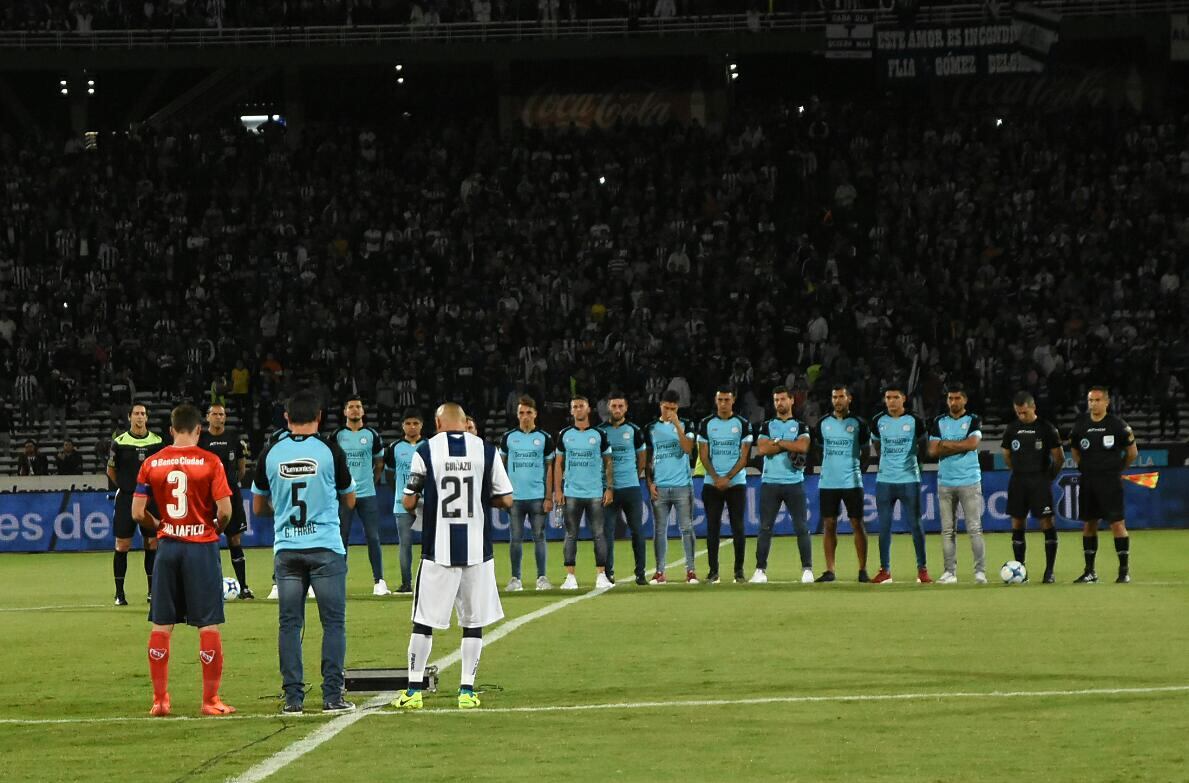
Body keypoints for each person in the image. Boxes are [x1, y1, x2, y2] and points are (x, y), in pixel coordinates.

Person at [394, 403, 515, 711]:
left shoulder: (425, 450)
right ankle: (466, 691)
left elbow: (408, 501)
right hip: (478, 551)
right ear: (464, 423)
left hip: (438, 550)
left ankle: (413, 691)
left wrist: (423, 496)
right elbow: (507, 498)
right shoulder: (486, 451)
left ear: (437, 422)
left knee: (423, 622)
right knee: (473, 623)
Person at [252, 390, 357, 715]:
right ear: (319, 417)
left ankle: (293, 699)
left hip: (287, 551)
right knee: (333, 624)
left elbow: (257, 506)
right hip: (325, 546)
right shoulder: (330, 449)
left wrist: (281, 508)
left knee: (289, 625)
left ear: (286, 419)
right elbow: (350, 499)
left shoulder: (270, 452)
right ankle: (332, 697)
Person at [132, 404, 236, 718]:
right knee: (207, 624)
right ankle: (210, 700)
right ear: (198, 429)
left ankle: (160, 700)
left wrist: (160, 524)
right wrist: (214, 527)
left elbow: (137, 512)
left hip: (167, 547)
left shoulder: (152, 462)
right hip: (200, 547)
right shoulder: (210, 461)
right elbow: (226, 510)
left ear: (171, 430)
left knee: (162, 624)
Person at [1069, 387, 1138, 583]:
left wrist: (1117, 468)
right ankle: (1090, 571)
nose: (1093, 404)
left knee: (1117, 524)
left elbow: (1132, 452)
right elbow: (1075, 449)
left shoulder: (1117, 425)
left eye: (1098, 400)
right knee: (1089, 523)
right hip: (1089, 481)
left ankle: (1123, 572)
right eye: (1091, 400)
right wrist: (1083, 466)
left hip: (1110, 481)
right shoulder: (1081, 425)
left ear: (1106, 402)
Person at [1001, 391, 1065, 583]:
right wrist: (1020, 471)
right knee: (1017, 523)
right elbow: (1007, 455)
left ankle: (1049, 571)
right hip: (1018, 481)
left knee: (1047, 523)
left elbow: (1059, 457)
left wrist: (1048, 477)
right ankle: (1021, 570)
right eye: (1018, 413)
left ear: (1033, 407)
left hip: (1040, 482)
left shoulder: (1047, 429)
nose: (1021, 416)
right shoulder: (1011, 429)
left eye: (1024, 412)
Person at [750, 386, 812, 584]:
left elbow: (802, 446)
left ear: (792, 400)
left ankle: (807, 569)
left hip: (794, 483)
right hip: (770, 483)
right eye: (776, 400)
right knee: (765, 528)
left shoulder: (801, 426)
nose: (779, 403)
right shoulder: (766, 425)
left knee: (801, 527)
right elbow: (761, 449)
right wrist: (787, 444)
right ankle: (760, 570)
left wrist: (776, 443)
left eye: (783, 399)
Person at [870, 385, 930, 584]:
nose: (892, 401)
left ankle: (922, 570)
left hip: (909, 480)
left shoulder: (915, 421)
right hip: (885, 480)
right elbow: (877, 446)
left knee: (915, 525)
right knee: (884, 527)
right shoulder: (878, 421)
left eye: (896, 397)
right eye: (888, 397)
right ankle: (884, 570)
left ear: (903, 399)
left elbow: (924, 447)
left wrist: (915, 466)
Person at [928, 384, 987, 584]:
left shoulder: (973, 420)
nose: (953, 402)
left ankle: (980, 572)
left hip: (969, 480)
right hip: (945, 481)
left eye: (957, 398)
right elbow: (933, 451)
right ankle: (949, 572)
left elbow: (972, 444)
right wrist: (960, 446)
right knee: (947, 530)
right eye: (950, 399)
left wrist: (947, 445)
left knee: (974, 528)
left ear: (964, 400)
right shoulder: (939, 421)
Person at [553, 396, 614, 590]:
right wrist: (558, 490)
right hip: (571, 492)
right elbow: (558, 464)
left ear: (589, 410)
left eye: (581, 406)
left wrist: (609, 488)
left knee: (598, 534)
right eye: (575, 407)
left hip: (595, 491)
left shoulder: (599, 434)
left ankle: (601, 575)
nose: (578, 409)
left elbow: (609, 462)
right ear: (571, 411)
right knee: (571, 534)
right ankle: (570, 577)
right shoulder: (564, 434)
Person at [812, 384, 871, 583]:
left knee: (857, 523)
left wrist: (854, 470)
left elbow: (866, 452)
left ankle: (862, 569)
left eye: (841, 397)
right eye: (834, 397)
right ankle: (830, 570)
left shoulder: (859, 423)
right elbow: (818, 450)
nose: (837, 400)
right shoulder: (822, 423)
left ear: (849, 399)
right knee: (829, 524)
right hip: (828, 482)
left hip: (852, 482)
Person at [108, 404, 165, 605]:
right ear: (130, 417)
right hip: (127, 498)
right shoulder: (120, 442)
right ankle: (119, 593)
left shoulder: (157, 441)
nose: (140, 417)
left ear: (147, 418)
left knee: (152, 543)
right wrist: (126, 487)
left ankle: (152, 591)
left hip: (151, 499)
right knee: (122, 545)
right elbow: (111, 470)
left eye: (143, 414)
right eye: (136, 414)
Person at [497, 395, 555, 591]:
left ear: (535, 414)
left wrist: (549, 496)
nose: (525, 416)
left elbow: (550, 469)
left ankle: (542, 578)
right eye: (521, 413)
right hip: (514, 498)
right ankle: (516, 579)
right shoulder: (508, 437)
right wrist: (502, 494)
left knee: (539, 537)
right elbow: (500, 467)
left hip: (538, 496)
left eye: (528, 412)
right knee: (515, 539)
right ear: (517, 415)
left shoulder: (544, 438)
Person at [697, 386, 753, 584]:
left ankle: (739, 571)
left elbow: (744, 457)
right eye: (720, 400)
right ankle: (714, 572)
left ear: (733, 401)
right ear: (715, 401)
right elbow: (703, 454)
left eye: (726, 400)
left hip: (736, 483)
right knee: (713, 527)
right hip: (712, 485)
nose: (723, 404)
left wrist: (727, 478)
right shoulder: (705, 424)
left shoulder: (743, 424)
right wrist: (715, 477)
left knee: (738, 527)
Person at [333, 396, 388, 595]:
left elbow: (379, 462)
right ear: (345, 412)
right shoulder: (337, 435)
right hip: (344, 494)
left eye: (358, 407)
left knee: (373, 537)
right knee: (341, 537)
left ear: (363, 412)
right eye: (351, 407)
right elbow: (332, 463)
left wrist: (371, 482)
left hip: (367, 494)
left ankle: (379, 581)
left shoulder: (371, 434)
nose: (355, 410)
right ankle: (337, 580)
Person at [198, 403, 254, 599]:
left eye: (222, 414)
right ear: (207, 417)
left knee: (235, 539)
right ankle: (206, 588)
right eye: (215, 414)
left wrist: (230, 484)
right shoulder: (201, 440)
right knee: (207, 540)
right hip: (206, 497)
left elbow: (241, 467)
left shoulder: (233, 438)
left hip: (230, 494)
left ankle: (244, 587)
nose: (219, 417)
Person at [644, 390, 698, 584]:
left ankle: (691, 571)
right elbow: (648, 459)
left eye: (673, 408)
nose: (669, 411)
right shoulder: (650, 428)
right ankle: (660, 572)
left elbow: (688, 449)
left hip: (683, 485)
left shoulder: (687, 424)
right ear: (660, 405)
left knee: (686, 528)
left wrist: (676, 425)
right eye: (666, 408)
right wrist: (649, 483)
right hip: (660, 486)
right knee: (659, 530)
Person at [598, 391, 648, 585]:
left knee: (637, 531)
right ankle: (608, 573)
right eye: (614, 406)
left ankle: (640, 573)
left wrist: (633, 477)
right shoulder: (601, 431)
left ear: (626, 408)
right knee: (607, 532)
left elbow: (642, 458)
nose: (617, 409)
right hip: (608, 489)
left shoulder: (634, 431)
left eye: (620, 406)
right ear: (608, 408)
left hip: (631, 488)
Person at [383, 409, 424, 593]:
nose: (412, 426)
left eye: (415, 423)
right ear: (402, 426)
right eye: (408, 423)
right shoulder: (394, 448)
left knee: (430, 545)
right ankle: (406, 583)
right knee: (405, 545)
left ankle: (429, 583)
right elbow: (390, 475)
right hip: (402, 503)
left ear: (421, 425)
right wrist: (402, 494)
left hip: (426, 503)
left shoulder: (428, 446)